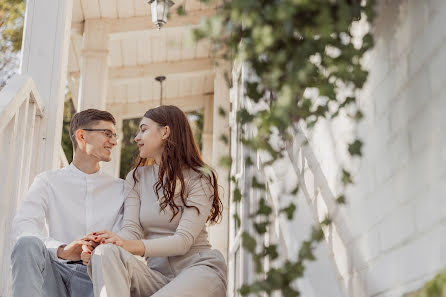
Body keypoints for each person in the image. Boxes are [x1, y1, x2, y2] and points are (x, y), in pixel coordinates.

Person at [84, 105, 227, 297]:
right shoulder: (136, 177)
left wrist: (128, 246)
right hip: (156, 278)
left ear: (165, 132)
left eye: (143, 129)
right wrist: (108, 241)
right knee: (106, 252)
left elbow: (182, 241)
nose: (137, 137)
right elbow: (131, 230)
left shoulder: (200, 178)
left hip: (198, 272)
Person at [11, 109, 124, 297]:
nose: (113, 141)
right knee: (27, 244)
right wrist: (63, 250)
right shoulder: (47, 181)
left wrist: (97, 250)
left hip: (98, 278)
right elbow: (23, 226)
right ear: (82, 136)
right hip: (55, 275)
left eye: (114, 135)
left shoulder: (121, 188)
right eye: (107, 134)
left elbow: (124, 235)